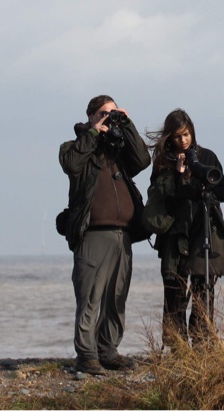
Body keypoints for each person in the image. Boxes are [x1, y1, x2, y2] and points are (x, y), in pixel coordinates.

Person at [59, 95, 151, 374]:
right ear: (90, 116)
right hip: (92, 234)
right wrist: (93, 133)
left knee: (116, 297)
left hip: (123, 234)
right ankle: (87, 356)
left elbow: (143, 160)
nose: (108, 118)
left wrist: (127, 124)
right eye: (103, 113)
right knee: (90, 297)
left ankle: (108, 351)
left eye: (113, 113)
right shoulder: (75, 146)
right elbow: (71, 164)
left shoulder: (118, 149)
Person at [144, 109, 224, 349]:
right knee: (174, 289)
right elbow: (162, 195)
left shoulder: (207, 157)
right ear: (169, 137)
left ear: (192, 132)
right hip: (175, 233)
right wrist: (178, 175)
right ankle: (177, 345)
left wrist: (204, 178)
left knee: (203, 288)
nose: (183, 140)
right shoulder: (163, 161)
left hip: (203, 230)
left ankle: (203, 340)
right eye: (177, 136)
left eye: (186, 134)